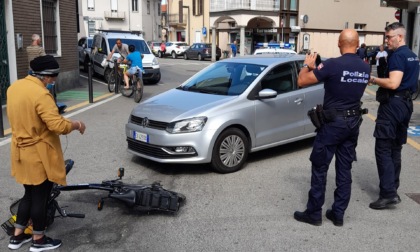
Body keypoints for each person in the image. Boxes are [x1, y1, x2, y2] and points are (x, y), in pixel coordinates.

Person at [6, 55, 86, 251]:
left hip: (20, 151)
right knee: (40, 197)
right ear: (46, 76)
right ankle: (38, 240)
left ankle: (17, 237)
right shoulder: (41, 94)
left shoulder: (14, 88)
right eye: (53, 78)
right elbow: (57, 125)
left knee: (28, 194)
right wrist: (76, 124)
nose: (53, 82)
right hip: (38, 153)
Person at [293, 29, 370, 226]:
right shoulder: (365, 67)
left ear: (339, 43)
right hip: (353, 123)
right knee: (344, 169)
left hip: (333, 124)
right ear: (356, 43)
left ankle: (314, 213)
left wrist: (307, 65)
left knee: (320, 166)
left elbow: (302, 81)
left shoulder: (333, 64)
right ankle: (338, 213)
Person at [368, 22, 419, 210]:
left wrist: (372, 79)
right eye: (386, 37)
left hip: (393, 104)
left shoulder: (398, 56)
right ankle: (392, 187)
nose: (386, 40)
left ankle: (388, 194)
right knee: (395, 148)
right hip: (406, 104)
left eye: (389, 37)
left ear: (400, 37)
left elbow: (393, 83)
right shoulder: (412, 56)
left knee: (383, 148)